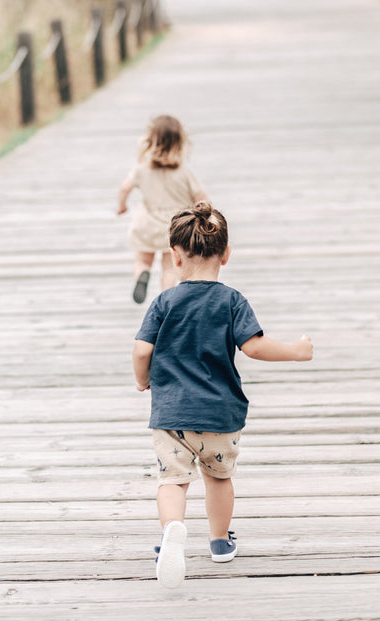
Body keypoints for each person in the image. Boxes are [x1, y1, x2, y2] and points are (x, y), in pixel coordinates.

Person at [133, 202, 313, 588]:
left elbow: (142, 350)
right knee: (217, 478)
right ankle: (219, 542)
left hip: (172, 416)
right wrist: (296, 351)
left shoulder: (164, 302)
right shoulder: (231, 301)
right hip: (220, 415)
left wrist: (142, 379)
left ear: (175, 257)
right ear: (226, 255)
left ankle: (172, 534)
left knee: (172, 482)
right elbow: (255, 347)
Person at [117, 115, 208, 304]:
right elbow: (201, 198)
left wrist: (122, 206)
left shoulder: (141, 169)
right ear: (180, 143)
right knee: (169, 268)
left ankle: (142, 274)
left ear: (150, 142)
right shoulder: (184, 171)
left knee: (143, 260)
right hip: (174, 227)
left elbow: (125, 187)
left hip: (146, 223)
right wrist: (204, 217)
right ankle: (167, 298)